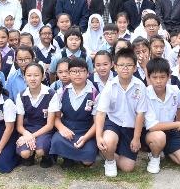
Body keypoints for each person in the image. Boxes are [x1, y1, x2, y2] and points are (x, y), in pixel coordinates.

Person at [94, 49, 149, 177]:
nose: (125, 68)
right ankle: (110, 160)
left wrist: (136, 138)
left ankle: (109, 152)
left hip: (130, 127)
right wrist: (98, 137)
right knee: (108, 140)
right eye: (121, 65)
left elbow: (140, 114)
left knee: (128, 167)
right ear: (115, 67)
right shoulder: (110, 86)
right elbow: (101, 113)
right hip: (113, 123)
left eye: (129, 65)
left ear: (135, 68)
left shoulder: (140, 86)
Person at [49, 57, 99, 167]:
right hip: (67, 131)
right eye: (73, 71)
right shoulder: (61, 92)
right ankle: (69, 157)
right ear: (69, 74)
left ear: (87, 73)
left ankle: (74, 156)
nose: (77, 74)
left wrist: (86, 137)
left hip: (86, 132)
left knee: (88, 161)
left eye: (81, 71)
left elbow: (97, 122)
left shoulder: (95, 94)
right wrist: (62, 129)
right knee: (57, 141)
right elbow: (56, 117)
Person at [14, 62, 56, 167]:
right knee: (24, 154)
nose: (32, 78)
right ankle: (30, 155)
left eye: (36, 75)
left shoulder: (51, 94)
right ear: (24, 77)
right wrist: (26, 134)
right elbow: (19, 126)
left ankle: (47, 156)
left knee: (40, 150)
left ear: (42, 77)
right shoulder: (21, 95)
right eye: (29, 75)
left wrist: (31, 137)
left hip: (45, 130)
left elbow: (50, 125)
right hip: (27, 129)